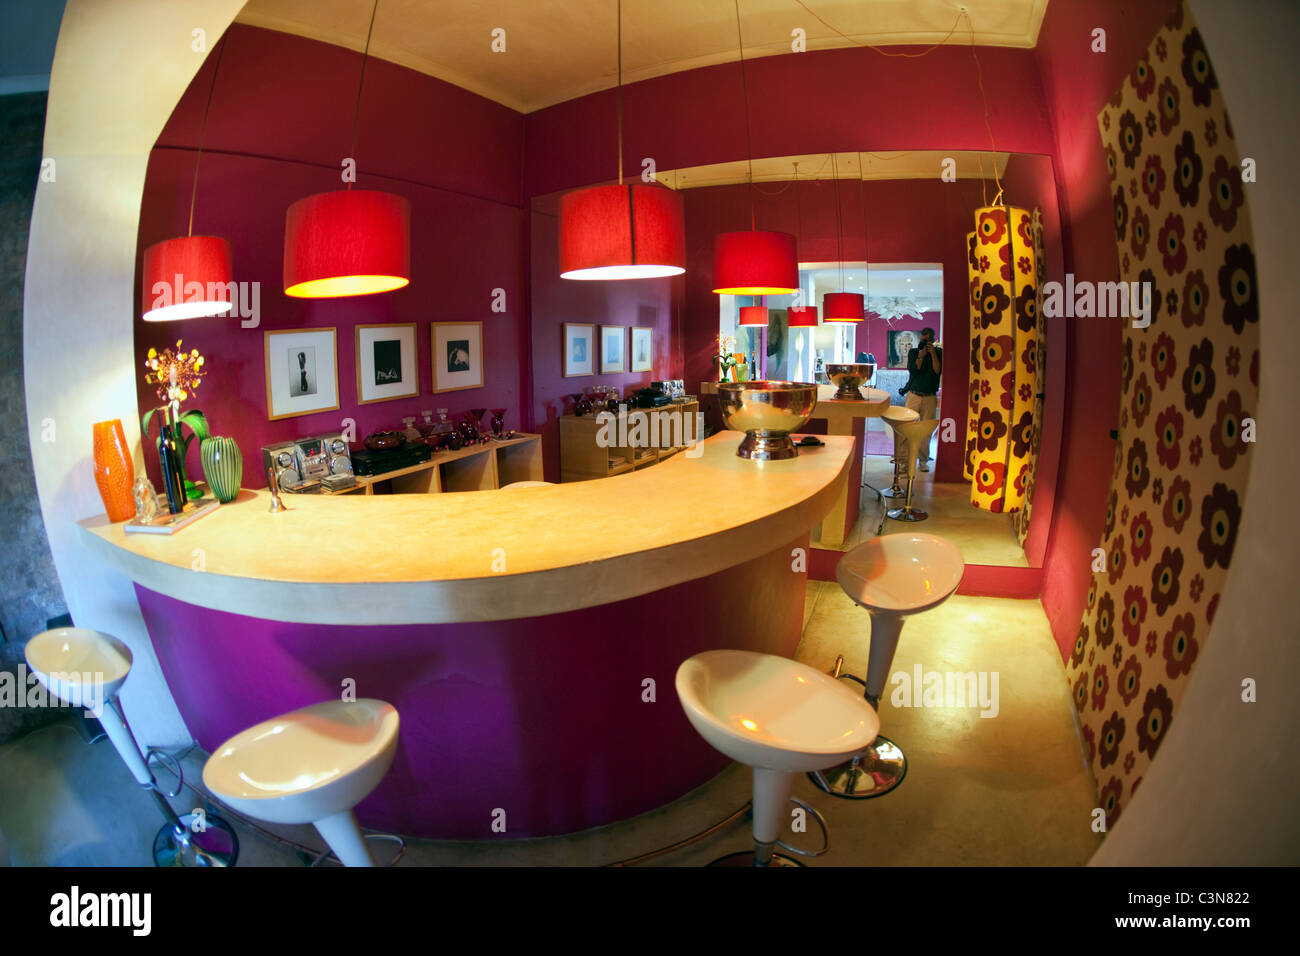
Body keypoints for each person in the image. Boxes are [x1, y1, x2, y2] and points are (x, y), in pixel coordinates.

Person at [897, 327, 942, 472]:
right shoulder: (914, 352)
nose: (925, 342)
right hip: (914, 394)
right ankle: (904, 461)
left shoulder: (939, 353)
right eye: (923, 340)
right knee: (907, 427)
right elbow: (913, 371)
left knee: (926, 429)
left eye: (928, 340)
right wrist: (921, 356)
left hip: (929, 396)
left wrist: (933, 353)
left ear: (933, 340)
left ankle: (923, 460)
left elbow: (937, 371)